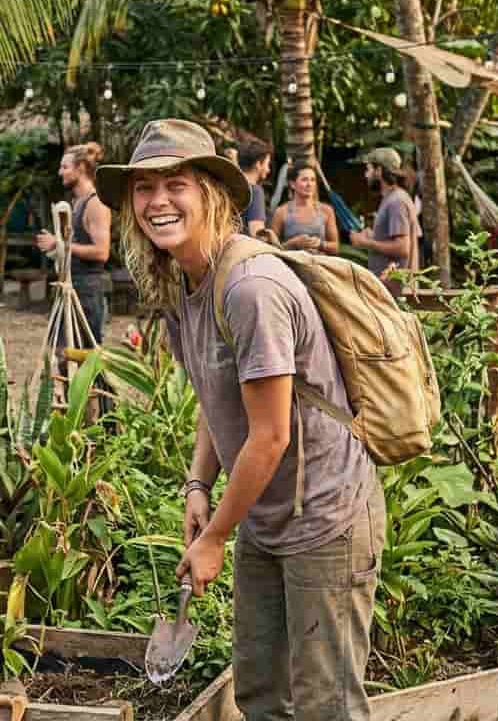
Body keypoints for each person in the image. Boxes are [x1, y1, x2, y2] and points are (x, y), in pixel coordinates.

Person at [97, 119, 384, 721]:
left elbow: (272, 433)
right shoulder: (183, 283)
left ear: (211, 194)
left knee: (326, 705)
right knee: (258, 693)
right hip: (265, 516)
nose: (157, 202)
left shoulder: (250, 288)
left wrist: (214, 537)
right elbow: (214, 394)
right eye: (144, 189)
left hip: (325, 516)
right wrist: (199, 484)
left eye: (174, 184)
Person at [37, 142, 112, 346]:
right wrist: (57, 246)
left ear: (80, 168)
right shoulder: (76, 202)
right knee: (63, 353)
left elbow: (101, 252)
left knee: (85, 355)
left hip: (87, 290)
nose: (60, 172)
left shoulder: (96, 204)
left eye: (65, 167)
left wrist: (58, 244)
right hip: (71, 285)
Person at [350, 147, 417, 284]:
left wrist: (365, 243)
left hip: (396, 289)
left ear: (379, 171)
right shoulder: (392, 198)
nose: (366, 175)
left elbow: (402, 248)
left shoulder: (396, 201)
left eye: (368, 169)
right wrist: (373, 235)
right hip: (388, 287)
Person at [270, 163, 339, 255]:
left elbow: (336, 248)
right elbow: (272, 249)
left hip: (319, 265)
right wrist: (293, 243)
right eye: (304, 180)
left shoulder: (326, 211)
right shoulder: (281, 212)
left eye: (313, 180)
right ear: (292, 184)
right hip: (290, 265)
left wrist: (320, 244)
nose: (309, 184)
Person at [236, 140, 272, 236]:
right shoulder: (255, 191)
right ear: (258, 164)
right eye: (267, 164)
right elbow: (257, 233)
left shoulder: (227, 185)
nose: (269, 170)